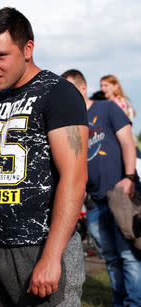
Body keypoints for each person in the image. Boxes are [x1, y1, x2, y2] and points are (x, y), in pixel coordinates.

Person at [0, 8, 88, 306]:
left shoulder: (58, 94)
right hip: (0, 247)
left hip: (44, 246)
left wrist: (51, 257)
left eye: (0, 55)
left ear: (27, 49)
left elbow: (75, 179)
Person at [63, 69, 141, 306]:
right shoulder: (71, 126)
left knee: (128, 255)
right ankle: (120, 301)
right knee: (110, 257)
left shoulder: (107, 108)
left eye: (68, 91)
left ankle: (134, 302)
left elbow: (129, 142)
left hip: (120, 196)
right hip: (95, 202)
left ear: (82, 88)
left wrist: (129, 177)